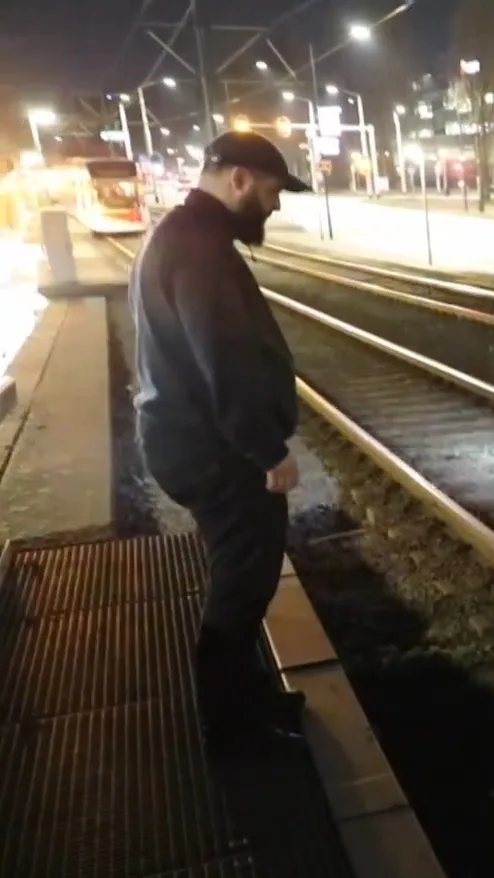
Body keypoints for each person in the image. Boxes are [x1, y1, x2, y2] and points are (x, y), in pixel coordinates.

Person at [132, 130, 311, 751]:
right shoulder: (199, 249)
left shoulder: (187, 236)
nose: (275, 206)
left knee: (241, 573)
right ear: (237, 179)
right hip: (216, 452)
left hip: (192, 441)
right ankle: (232, 728)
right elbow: (225, 363)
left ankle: (248, 699)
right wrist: (270, 452)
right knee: (243, 581)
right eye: (269, 191)